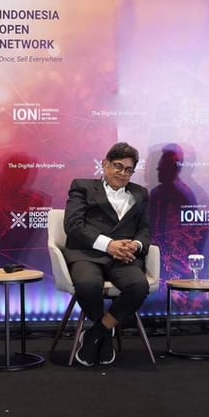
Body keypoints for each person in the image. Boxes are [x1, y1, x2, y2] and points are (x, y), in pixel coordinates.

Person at [63, 142, 151, 366]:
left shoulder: (140, 193)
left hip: (124, 257)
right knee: (87, 284)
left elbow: (144, 229)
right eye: (118, 166)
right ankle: (103, 334)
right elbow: (73, 227)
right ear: (105, 164)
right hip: (88, 253)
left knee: (139, 286)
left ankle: (97, 332)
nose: (122, 173)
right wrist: (109, 245)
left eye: (128, 170)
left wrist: (136, 246)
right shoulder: (82, 187)